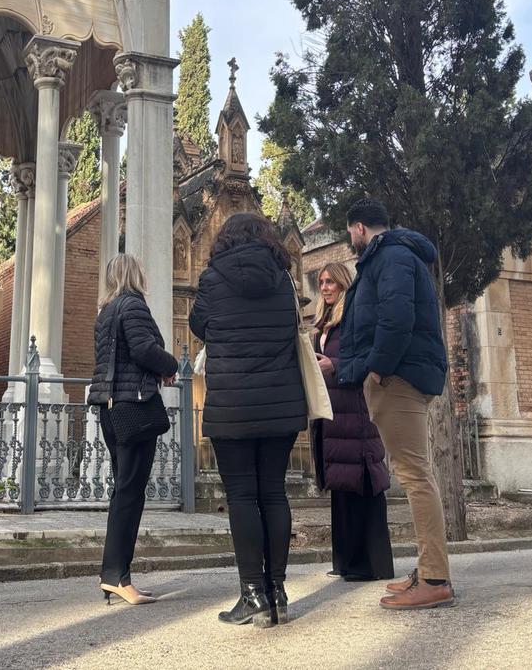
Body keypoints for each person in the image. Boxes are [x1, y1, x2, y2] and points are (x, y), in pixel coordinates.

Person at [189, 212, 308, 627]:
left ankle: (252, 594)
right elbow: (294, 327)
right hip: (280, 403)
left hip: (233, 407)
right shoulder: (284, 280)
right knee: (273, 493)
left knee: (241, 497)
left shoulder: (212, 278)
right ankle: (278, 591)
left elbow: (197, 323)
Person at [337, 198, 454, 609]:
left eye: (348, 232)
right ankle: (427, 570)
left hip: (398, 377)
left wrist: (378, 369)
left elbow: (395, 319)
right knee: (415, 472)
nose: (350, 239)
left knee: (415, 474)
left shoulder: (391, 257)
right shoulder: (394, 256)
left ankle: (436, 578)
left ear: (359, 228)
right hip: (399, 373)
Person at [87, 253, 179, 606]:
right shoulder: (133, 305)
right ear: (134, 275)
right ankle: (116, 576)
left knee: (122, 489)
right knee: (130, 492)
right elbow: (144, 349)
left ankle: (113, 574)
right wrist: (168, 365)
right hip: (134, 406)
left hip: (109, 407)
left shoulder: (106, 311)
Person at [311, 261, 395, 582]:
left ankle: (371, 564)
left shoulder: (355, 318)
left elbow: (367, 356)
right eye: (321, 281)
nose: (325, 287)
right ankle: (346, 561)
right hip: (331, 412)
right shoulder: (324, 323)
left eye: (330, 281)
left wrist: (335, 363)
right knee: (341, 485)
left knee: (362, 483)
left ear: (344, 283)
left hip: (354, 409)